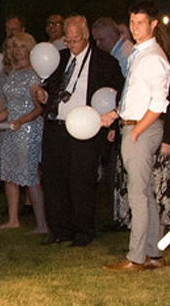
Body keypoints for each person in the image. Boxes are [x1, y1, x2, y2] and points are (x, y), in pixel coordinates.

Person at [32, 14, 125, 248]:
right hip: (56, 128)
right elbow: (49, 90)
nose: (71, 44)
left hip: (85, 130)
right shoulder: (59, 60)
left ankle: (83, 232)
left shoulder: (105, 62)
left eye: (75, 39)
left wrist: (110, 124)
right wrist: (42, 96)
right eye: (68, 39)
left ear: (86, 37)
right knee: (53, 180)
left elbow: (118, 95)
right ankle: (59, 230)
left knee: (81, 182)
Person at [105, 1, 170, 273]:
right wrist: (116, 114)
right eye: (132, 22)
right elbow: (135, 96)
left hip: (142, 129)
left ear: (153, 24)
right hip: (133, 124)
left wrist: (135, 129)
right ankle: (152, 253)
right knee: (144, 193)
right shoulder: (140, 54)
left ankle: (136, 257)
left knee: (137, 194)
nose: (135, 28)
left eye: (140, 23)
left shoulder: (154, 58)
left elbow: (158, 103)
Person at [0, 32, 46, 233]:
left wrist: (21, 121)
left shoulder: (33, 74)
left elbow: (39, 108)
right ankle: (13, 220)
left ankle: (42, 224)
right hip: (11, 128)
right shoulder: (12, 73)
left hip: (28, 129)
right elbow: (9, 106)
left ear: (29, 49)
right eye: (13, 46)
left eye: (21, 46)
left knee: (30, 176)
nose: (16, 50)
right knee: (9, 174)